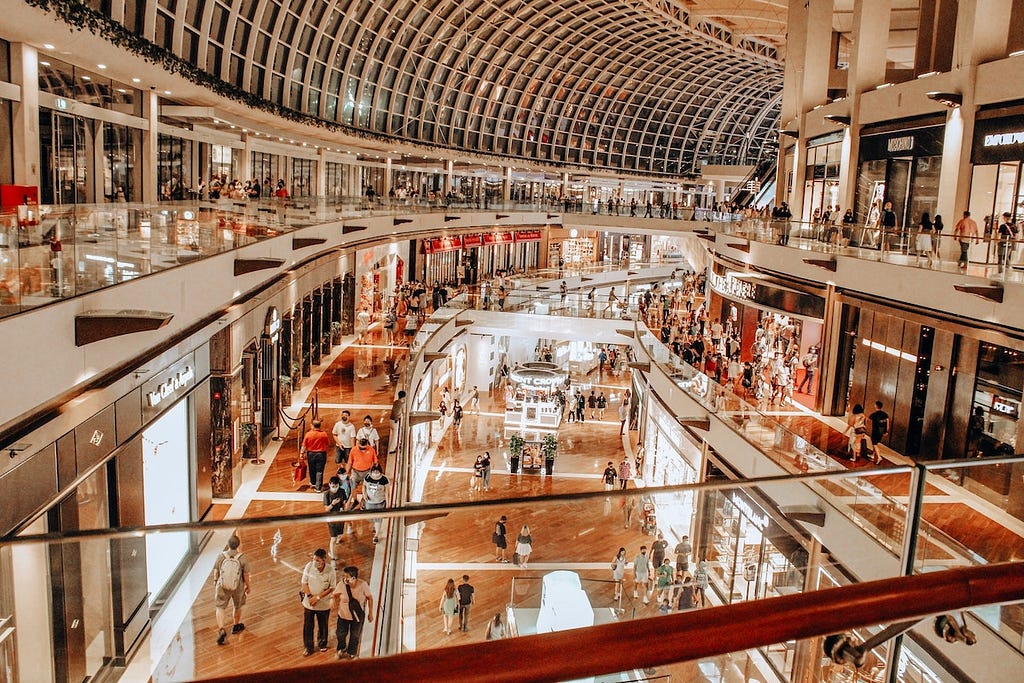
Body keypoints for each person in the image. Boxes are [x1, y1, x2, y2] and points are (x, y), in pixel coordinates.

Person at [213, 534, 251, 645]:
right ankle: (236, 625)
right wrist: (248, 586)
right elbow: (246, 574)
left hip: (222, 585)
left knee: (220, 607)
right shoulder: (242, 557)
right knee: (237, 605)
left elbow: (216, 571)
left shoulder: (221, 556)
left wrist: (216, 581)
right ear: (238, 545)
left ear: (228, 544)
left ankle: (221, 629)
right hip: (237, 586)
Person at [331, 565, 374, 660]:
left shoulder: (363, 585)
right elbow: (334, 594)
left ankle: (352, 652)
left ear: (353, 578)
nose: (344, 579)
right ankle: (342, 648)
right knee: (340, 634)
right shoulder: (341, 584)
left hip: (357, 616)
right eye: (344, 576)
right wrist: (332, 599)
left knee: (355, 635)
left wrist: (370, 613)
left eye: (347, 577)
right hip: (343, 616)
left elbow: (370, 598)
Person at [301, 548, 337, 656]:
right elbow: (304, 583)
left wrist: (317, 598)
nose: (315, 562)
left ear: (324, 560)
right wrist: (310, 597)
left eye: (317, 560)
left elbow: (331, 588)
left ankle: (322, 643)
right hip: (309, 603)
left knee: (323, 625)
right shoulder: (309, 566)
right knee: (308, 625)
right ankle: (308, 647)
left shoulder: (331, 571)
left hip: (323, 605)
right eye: (314, 559)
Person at [324, 475, 351, 562]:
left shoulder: (342, 491)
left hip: (340, 517)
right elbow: (326, 509)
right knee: (333, 538)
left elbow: (344, 503)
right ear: (329, 485)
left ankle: (336, 542)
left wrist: (344, 509)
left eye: (336, 486)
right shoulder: (327, 494)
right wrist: (332, 504)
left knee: (339, 535)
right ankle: (332, 554)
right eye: (333, 486)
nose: (335, 488)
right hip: (331, 518)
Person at [361, 463, 389, 543]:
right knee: (371, 517)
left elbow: (387, 492)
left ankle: (376, 535)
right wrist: (364, 494)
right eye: (374, 472)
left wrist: (388, 503)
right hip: (369, 502)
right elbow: (364, 486)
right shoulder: (368, 477)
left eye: (377, 472)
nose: (375, 474)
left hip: (380, 502)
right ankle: (375, 527)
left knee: (378, 519)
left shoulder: (384, 479)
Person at [301, 419, 331, 493]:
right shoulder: (324, 434)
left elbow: (304, 445)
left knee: (312, 469)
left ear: (312, 426)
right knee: (319, 471)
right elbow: (328, 443)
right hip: (321, 454)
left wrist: (301, 453)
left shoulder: (308, 434)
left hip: (311, 454)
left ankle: (313, 483)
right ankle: (318, 487)